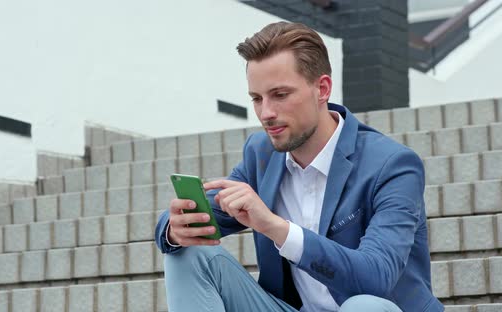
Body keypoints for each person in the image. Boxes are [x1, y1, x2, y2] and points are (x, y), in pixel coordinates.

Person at [155, 21, 443, 312]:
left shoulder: (392, 165)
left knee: (363, 306)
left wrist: (275, 227)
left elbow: (375, 278)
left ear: (322, 88)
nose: (266, 113)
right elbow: (186, 219)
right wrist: (175, 228)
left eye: (280, 95)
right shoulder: (261, 154)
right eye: (257, 98)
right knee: (187, 252)